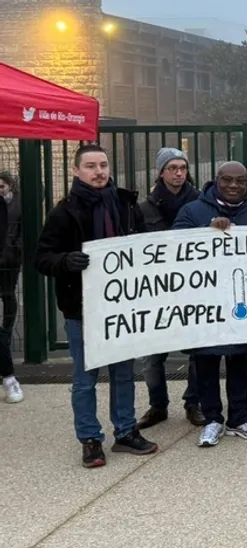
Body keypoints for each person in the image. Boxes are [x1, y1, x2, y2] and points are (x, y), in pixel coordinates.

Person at [35, 144, 158, 467]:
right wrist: (65, 261)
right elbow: (42, 258)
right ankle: (90, 439)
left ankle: (126, 431)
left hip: (123, 306)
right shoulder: (63, 212)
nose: (98, 171)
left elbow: (145, 246)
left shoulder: (126, 205)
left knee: (123, 373)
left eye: (103, 165)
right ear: (76, 171)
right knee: (85, 378)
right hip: (82, 309)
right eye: (90, 166)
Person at [174, 161, 247, 447]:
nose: (233, 186)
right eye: (227, 180)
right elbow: (175, 249)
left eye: (240, 181)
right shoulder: (192, 211)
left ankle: (240, 417)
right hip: (205, 303)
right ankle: (212, 419)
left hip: (242, 300)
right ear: (216, 180)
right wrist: (206, 232)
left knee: (239, 361)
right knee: (206, 361)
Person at [136, 148, 204, 429]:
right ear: (161, 172)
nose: (178, 173)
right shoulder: (144, 208)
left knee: (199, 353)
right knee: (152, 356)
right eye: (172, 168)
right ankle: (158, 405)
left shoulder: (201, 204)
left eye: (183, 168)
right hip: (157, 292)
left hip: (194, 289)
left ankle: (193, 403)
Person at [0, 171, 21, 403]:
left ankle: (9, 378)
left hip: (9, 261)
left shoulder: (16, 205)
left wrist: (14, 250)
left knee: (8, 295)